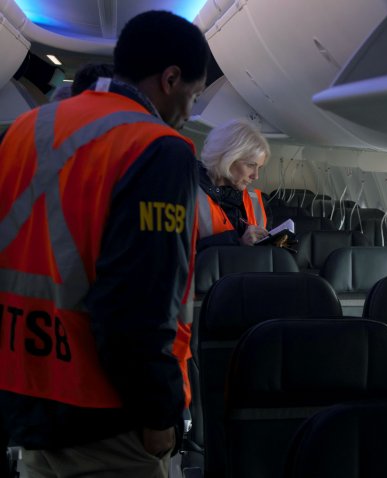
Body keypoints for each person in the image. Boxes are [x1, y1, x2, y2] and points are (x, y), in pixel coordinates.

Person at [0, 10, 208, 478]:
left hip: (27, 395)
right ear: (170, 78)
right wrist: (158, 410)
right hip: (107, 414)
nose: (190, 113)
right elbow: (138, 303)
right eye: (193, 95)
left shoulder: (22, 132)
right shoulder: (158, 148)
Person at [197, 118, 272, 251]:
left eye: (259, 167)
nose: (256, 176)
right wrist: (237, 243)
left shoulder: (258, 200)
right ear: (227, 158)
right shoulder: (186, 194)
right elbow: (179, 254)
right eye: (250, 165)